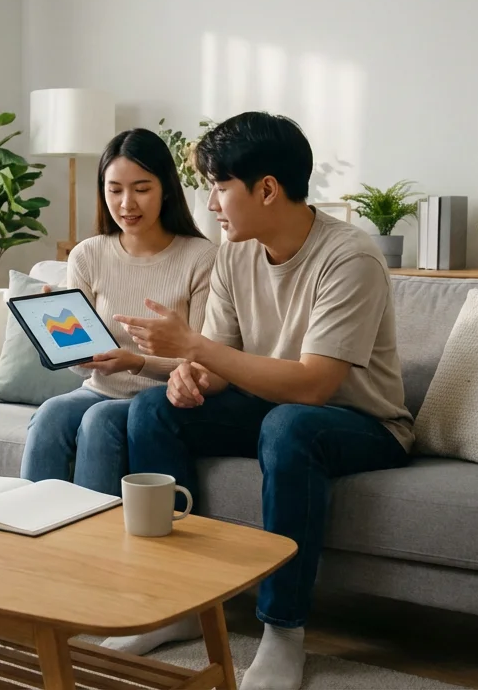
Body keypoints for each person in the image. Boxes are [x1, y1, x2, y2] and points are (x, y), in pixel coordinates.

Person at [110, 112, 413, 690]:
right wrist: (189, 377)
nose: (211, 205)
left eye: (220, 187)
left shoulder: (350, 257)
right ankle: (176, 605)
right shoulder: (235, 253)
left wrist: (194, 347)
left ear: (267, 189)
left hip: (363, 424)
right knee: (151, 409)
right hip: (276, 409)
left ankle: (283, 631)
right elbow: (221, 360)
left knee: (290, 425)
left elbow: (315, 385)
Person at [19, 128, 216, 497]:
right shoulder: (87, 255)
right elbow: (83, 366)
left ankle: (98, 548)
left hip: (160, 398)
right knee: (49, 415)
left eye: (141, 189)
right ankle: (32, 535)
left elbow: (206, 361)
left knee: (99, 421)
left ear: (166, 189)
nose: (127, 203)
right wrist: (62, 339)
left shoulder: (201, 258)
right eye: (115, 190)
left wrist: (135, 362)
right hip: (99, 389)